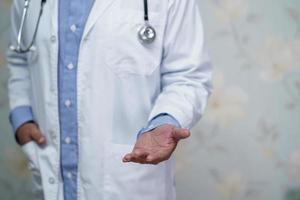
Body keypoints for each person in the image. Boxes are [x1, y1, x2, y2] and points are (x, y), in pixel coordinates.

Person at [6, 0, 212, 199]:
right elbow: (20, 56)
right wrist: (22, 117)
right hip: (51, 174)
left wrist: (165, 120)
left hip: (128, 181)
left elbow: (188, 75)